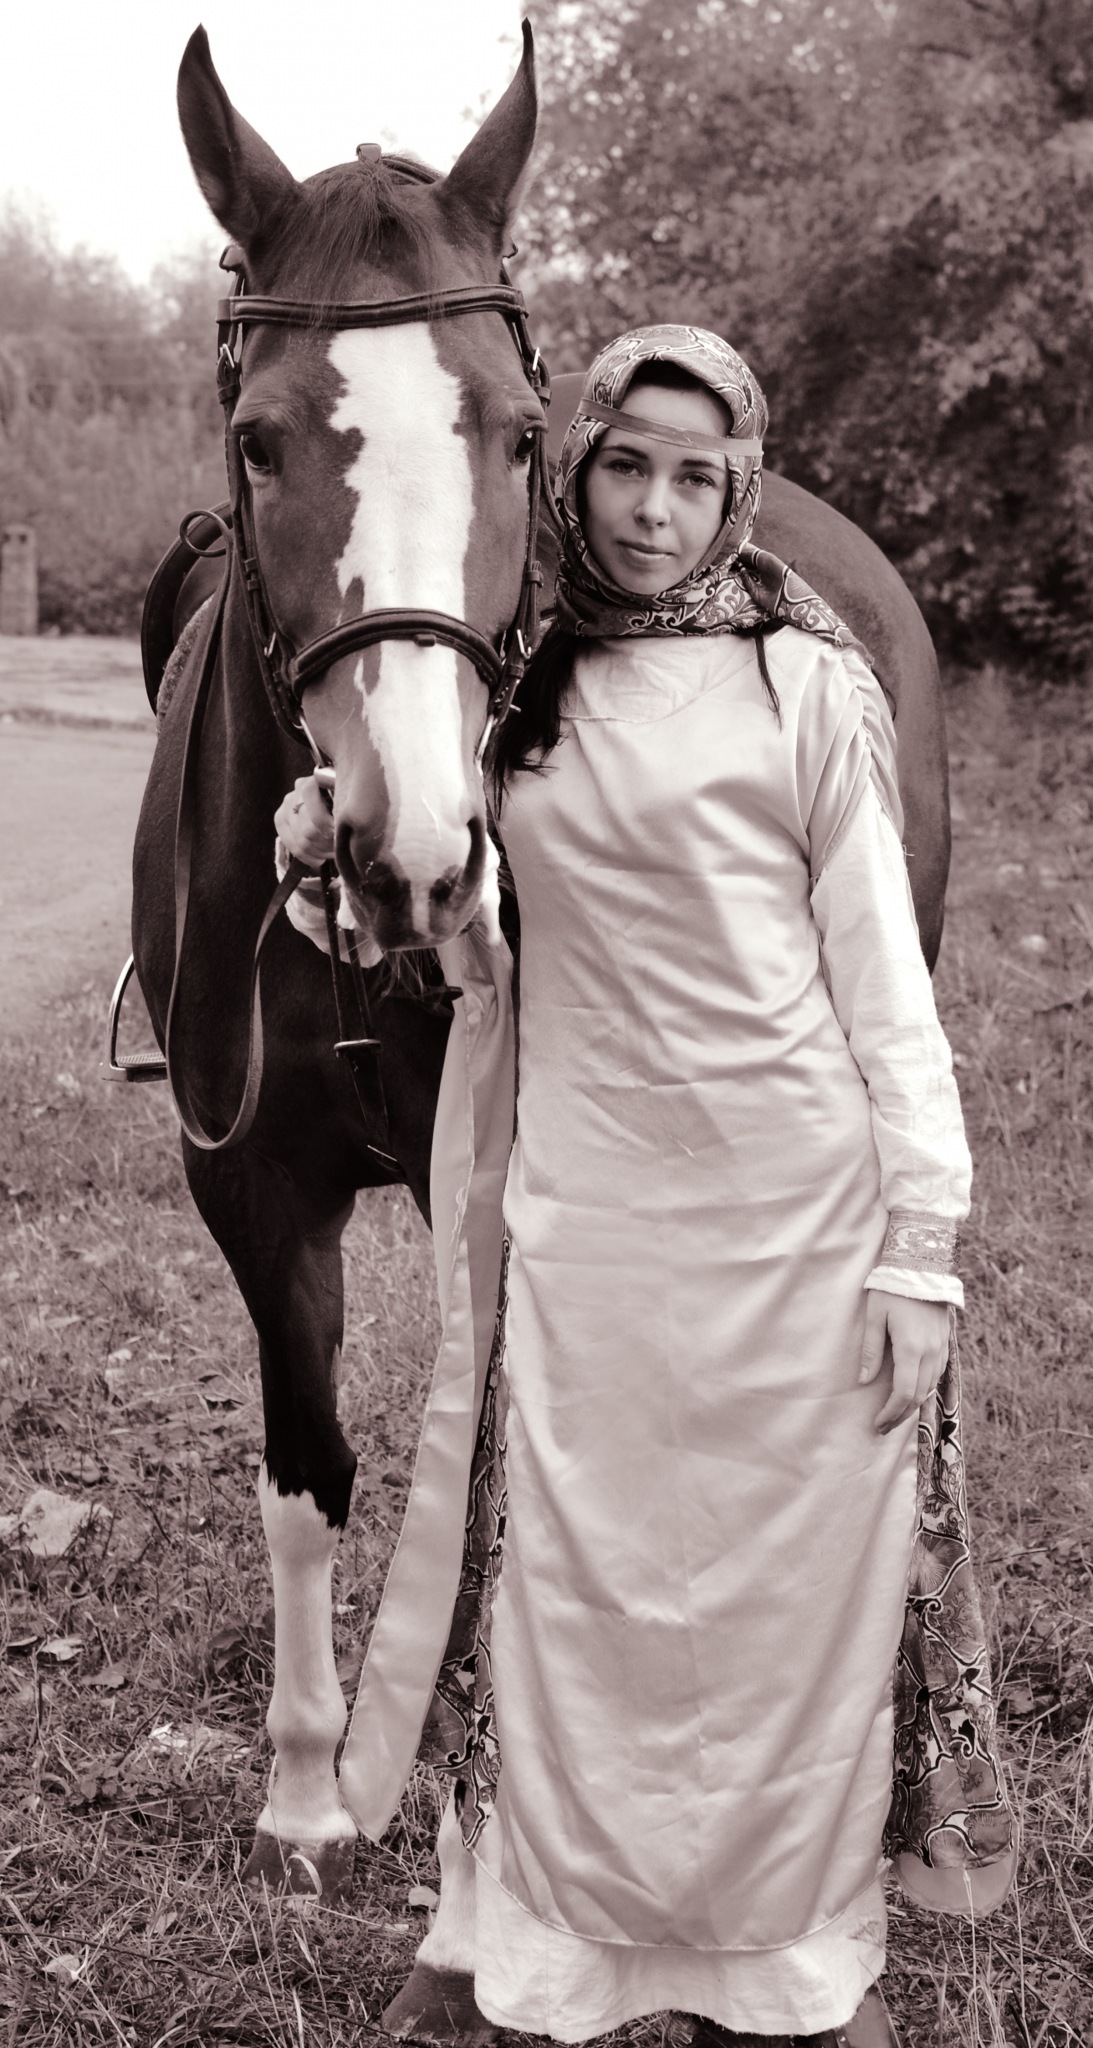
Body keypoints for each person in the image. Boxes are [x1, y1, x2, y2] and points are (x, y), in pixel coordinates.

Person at [276, 326, 1014, 2048]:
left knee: (780, 1621)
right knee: (579, 1607)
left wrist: (919, 1249)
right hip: (590, 1220)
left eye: (694, 477)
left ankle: (791, 1970)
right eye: (623, 467)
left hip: (798, 1223)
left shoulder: (804, 683)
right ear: (574, 472)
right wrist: (341, 862)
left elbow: (883, 991)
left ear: (734, 490)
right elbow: (483, 952)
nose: (653, 510)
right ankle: (556, 1954)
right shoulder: (518, 695)